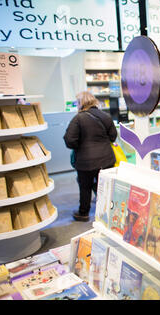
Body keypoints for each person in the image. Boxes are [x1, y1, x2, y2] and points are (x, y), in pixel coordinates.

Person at [64, 91, 117, 222]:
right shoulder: (106, 116)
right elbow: (113, 137)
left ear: (81, 103)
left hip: (85, 161)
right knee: (105, 186)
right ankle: (108, 212)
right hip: (106, 159)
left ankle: (83, 213)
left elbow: (69, 140)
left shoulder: (78, 118)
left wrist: (80, 147)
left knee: (85, 187)